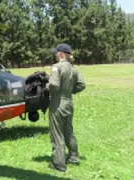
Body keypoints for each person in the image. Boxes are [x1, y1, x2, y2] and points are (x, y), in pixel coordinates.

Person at [45, 43, 85, 172]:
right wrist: (71, 91)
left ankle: (59, 164)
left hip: (57, 104)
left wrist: (45, 86)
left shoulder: (56, 67)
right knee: (68, 132)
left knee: (57, 134)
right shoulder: (73, 68)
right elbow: (82, 85)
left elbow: (54, 85)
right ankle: (74, 157)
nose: (54, 54)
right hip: (69, 103)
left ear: (61, 53)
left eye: (56, 52)